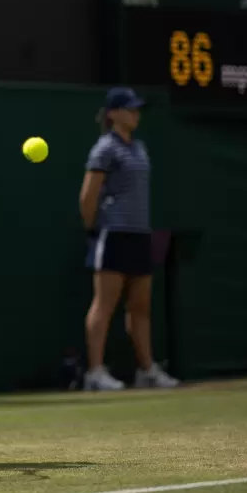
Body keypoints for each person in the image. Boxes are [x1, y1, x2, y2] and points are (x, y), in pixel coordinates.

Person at [79, 88, 180, 391]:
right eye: (130, 109)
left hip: (140, 234)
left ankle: (146, 370)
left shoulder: (139, 147)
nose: (136, 114)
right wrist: (94, 229)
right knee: (105, 304)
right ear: (113, 114)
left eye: (137, 109)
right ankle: (95, 372)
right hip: (113, 233)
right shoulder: (104, 149)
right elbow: (88, 196)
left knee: (140, 305)